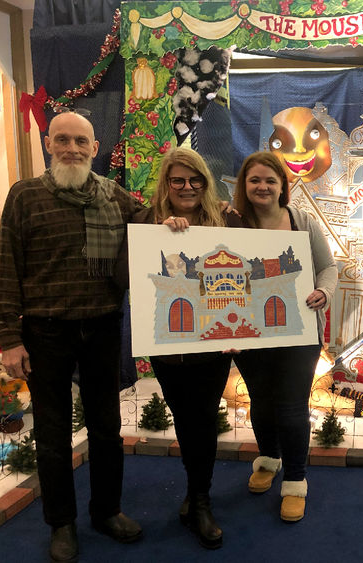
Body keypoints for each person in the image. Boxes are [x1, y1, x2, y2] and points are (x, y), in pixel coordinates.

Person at [0, 111, 144, 563]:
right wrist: (9, 338)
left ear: (96, 149)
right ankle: (61, 523)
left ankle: (106, 512)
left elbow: (159, 225)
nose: (71, 148)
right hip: (45, 333)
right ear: (47, 145)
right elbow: (8, 271)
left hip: (102, 327)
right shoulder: (24, 196)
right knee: (53, 435)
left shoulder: (116, 196)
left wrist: (188, 222)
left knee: (107, 428)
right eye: (62, 140)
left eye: (81, 141)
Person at [115, 147, 242, 549]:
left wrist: (242, 334)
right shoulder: (145, 220)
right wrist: (156, 234)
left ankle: (199, 500)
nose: (187, 187)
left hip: (214, 344)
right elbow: (122, 275)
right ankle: (195, 496)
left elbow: (249, 275)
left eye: (195, 180)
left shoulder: (226, 218)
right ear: (166, 185)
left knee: (203, 417)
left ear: (205, 181)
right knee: (184, 415)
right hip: (169, 345)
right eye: (178, 180)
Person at [231, 151, 338, 522]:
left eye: (270, 180)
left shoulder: (302, 221)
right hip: (248, 331)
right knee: (260, 400)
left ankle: (295, 480)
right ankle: (269, 459)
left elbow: (327, 268)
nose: (262, 186)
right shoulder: (230, 223)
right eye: (255, 180)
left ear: (282, 186)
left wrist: (323, 293)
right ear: (245, 186)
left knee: (292, 407)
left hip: (298, 329)